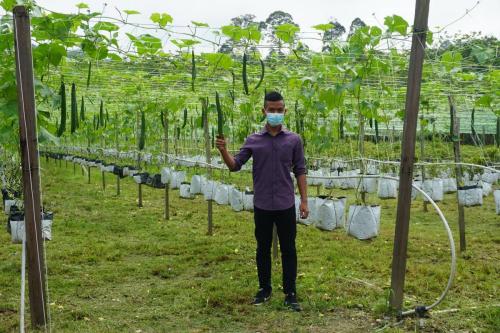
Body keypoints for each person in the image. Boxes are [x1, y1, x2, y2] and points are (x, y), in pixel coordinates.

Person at [215, 91, 309, 312]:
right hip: (263, 204)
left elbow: (301, 170)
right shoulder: (253, 140)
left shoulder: (294, 140)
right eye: (271, 110)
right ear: (264, 111)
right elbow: (234, 165)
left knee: (289, 249)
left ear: (285, 111)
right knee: (262, 248)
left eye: (279, 110)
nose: (275, 113)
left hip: (286, 203)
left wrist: (304, 201)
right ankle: (264, 289)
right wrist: (223, 151)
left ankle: (290, 292)